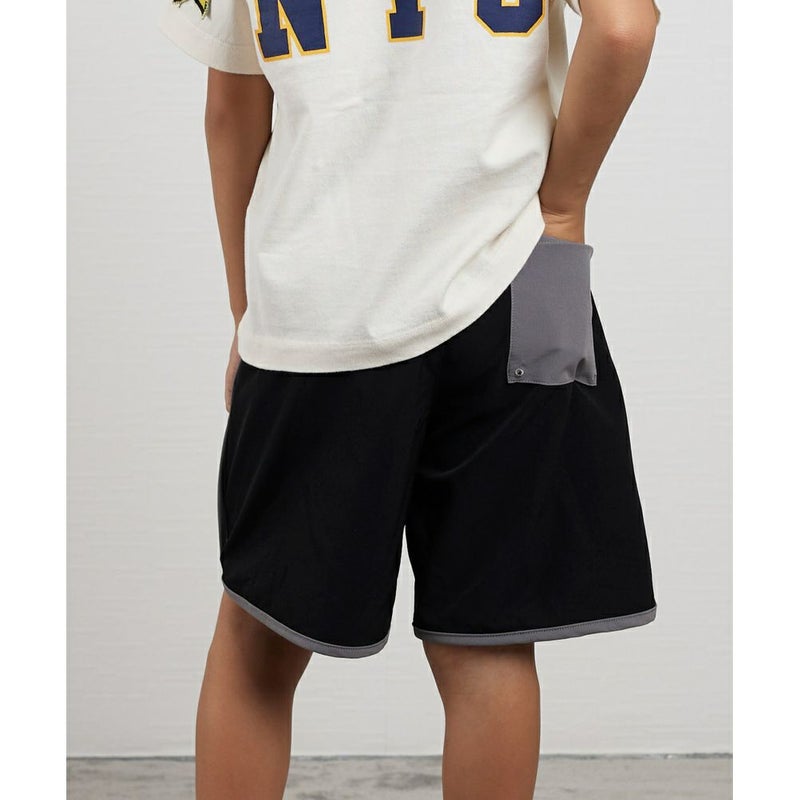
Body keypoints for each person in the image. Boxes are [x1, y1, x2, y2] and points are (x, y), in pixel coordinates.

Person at [158, 1, 661, 797]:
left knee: (258, 642)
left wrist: (244, 310)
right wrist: (563, 204)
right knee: (489, 643)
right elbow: (626, 24)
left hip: (319, 299)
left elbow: (231, 111)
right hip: (519, 278)